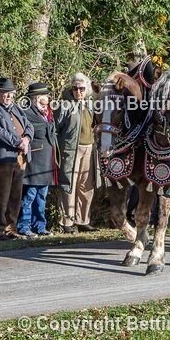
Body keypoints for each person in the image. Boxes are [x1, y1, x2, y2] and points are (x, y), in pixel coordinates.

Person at [0, 78, 33, 240]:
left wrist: (27, 138)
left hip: (20, 157)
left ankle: (11, 227)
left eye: (10, 93)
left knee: (16, 194)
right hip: (4, 158)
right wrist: (18, 142)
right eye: (5, 93)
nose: (8, 96)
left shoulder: (17, 109)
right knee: (2, 195)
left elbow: (29, 126)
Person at [56, 73, 98, 233]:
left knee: (87, 186)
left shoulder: (91, 104)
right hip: (71, 149)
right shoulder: (64, 105)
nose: (78, 91)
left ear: (87, 89)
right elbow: (56, 127)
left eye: (81, 88)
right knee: (69, 184)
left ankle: (83, 220)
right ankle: (67, 222)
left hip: (90, 148)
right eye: (75, 88)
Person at [18, 82, 58, 238]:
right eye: (44, 95)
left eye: (47, 95)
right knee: (30, 195)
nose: (47, 97)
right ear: (36, 98)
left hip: (47, 158)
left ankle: (40, 226)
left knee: (42, 195)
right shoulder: (26, 112)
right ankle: (24, 226)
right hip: (34, 158)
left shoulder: (48, 112)